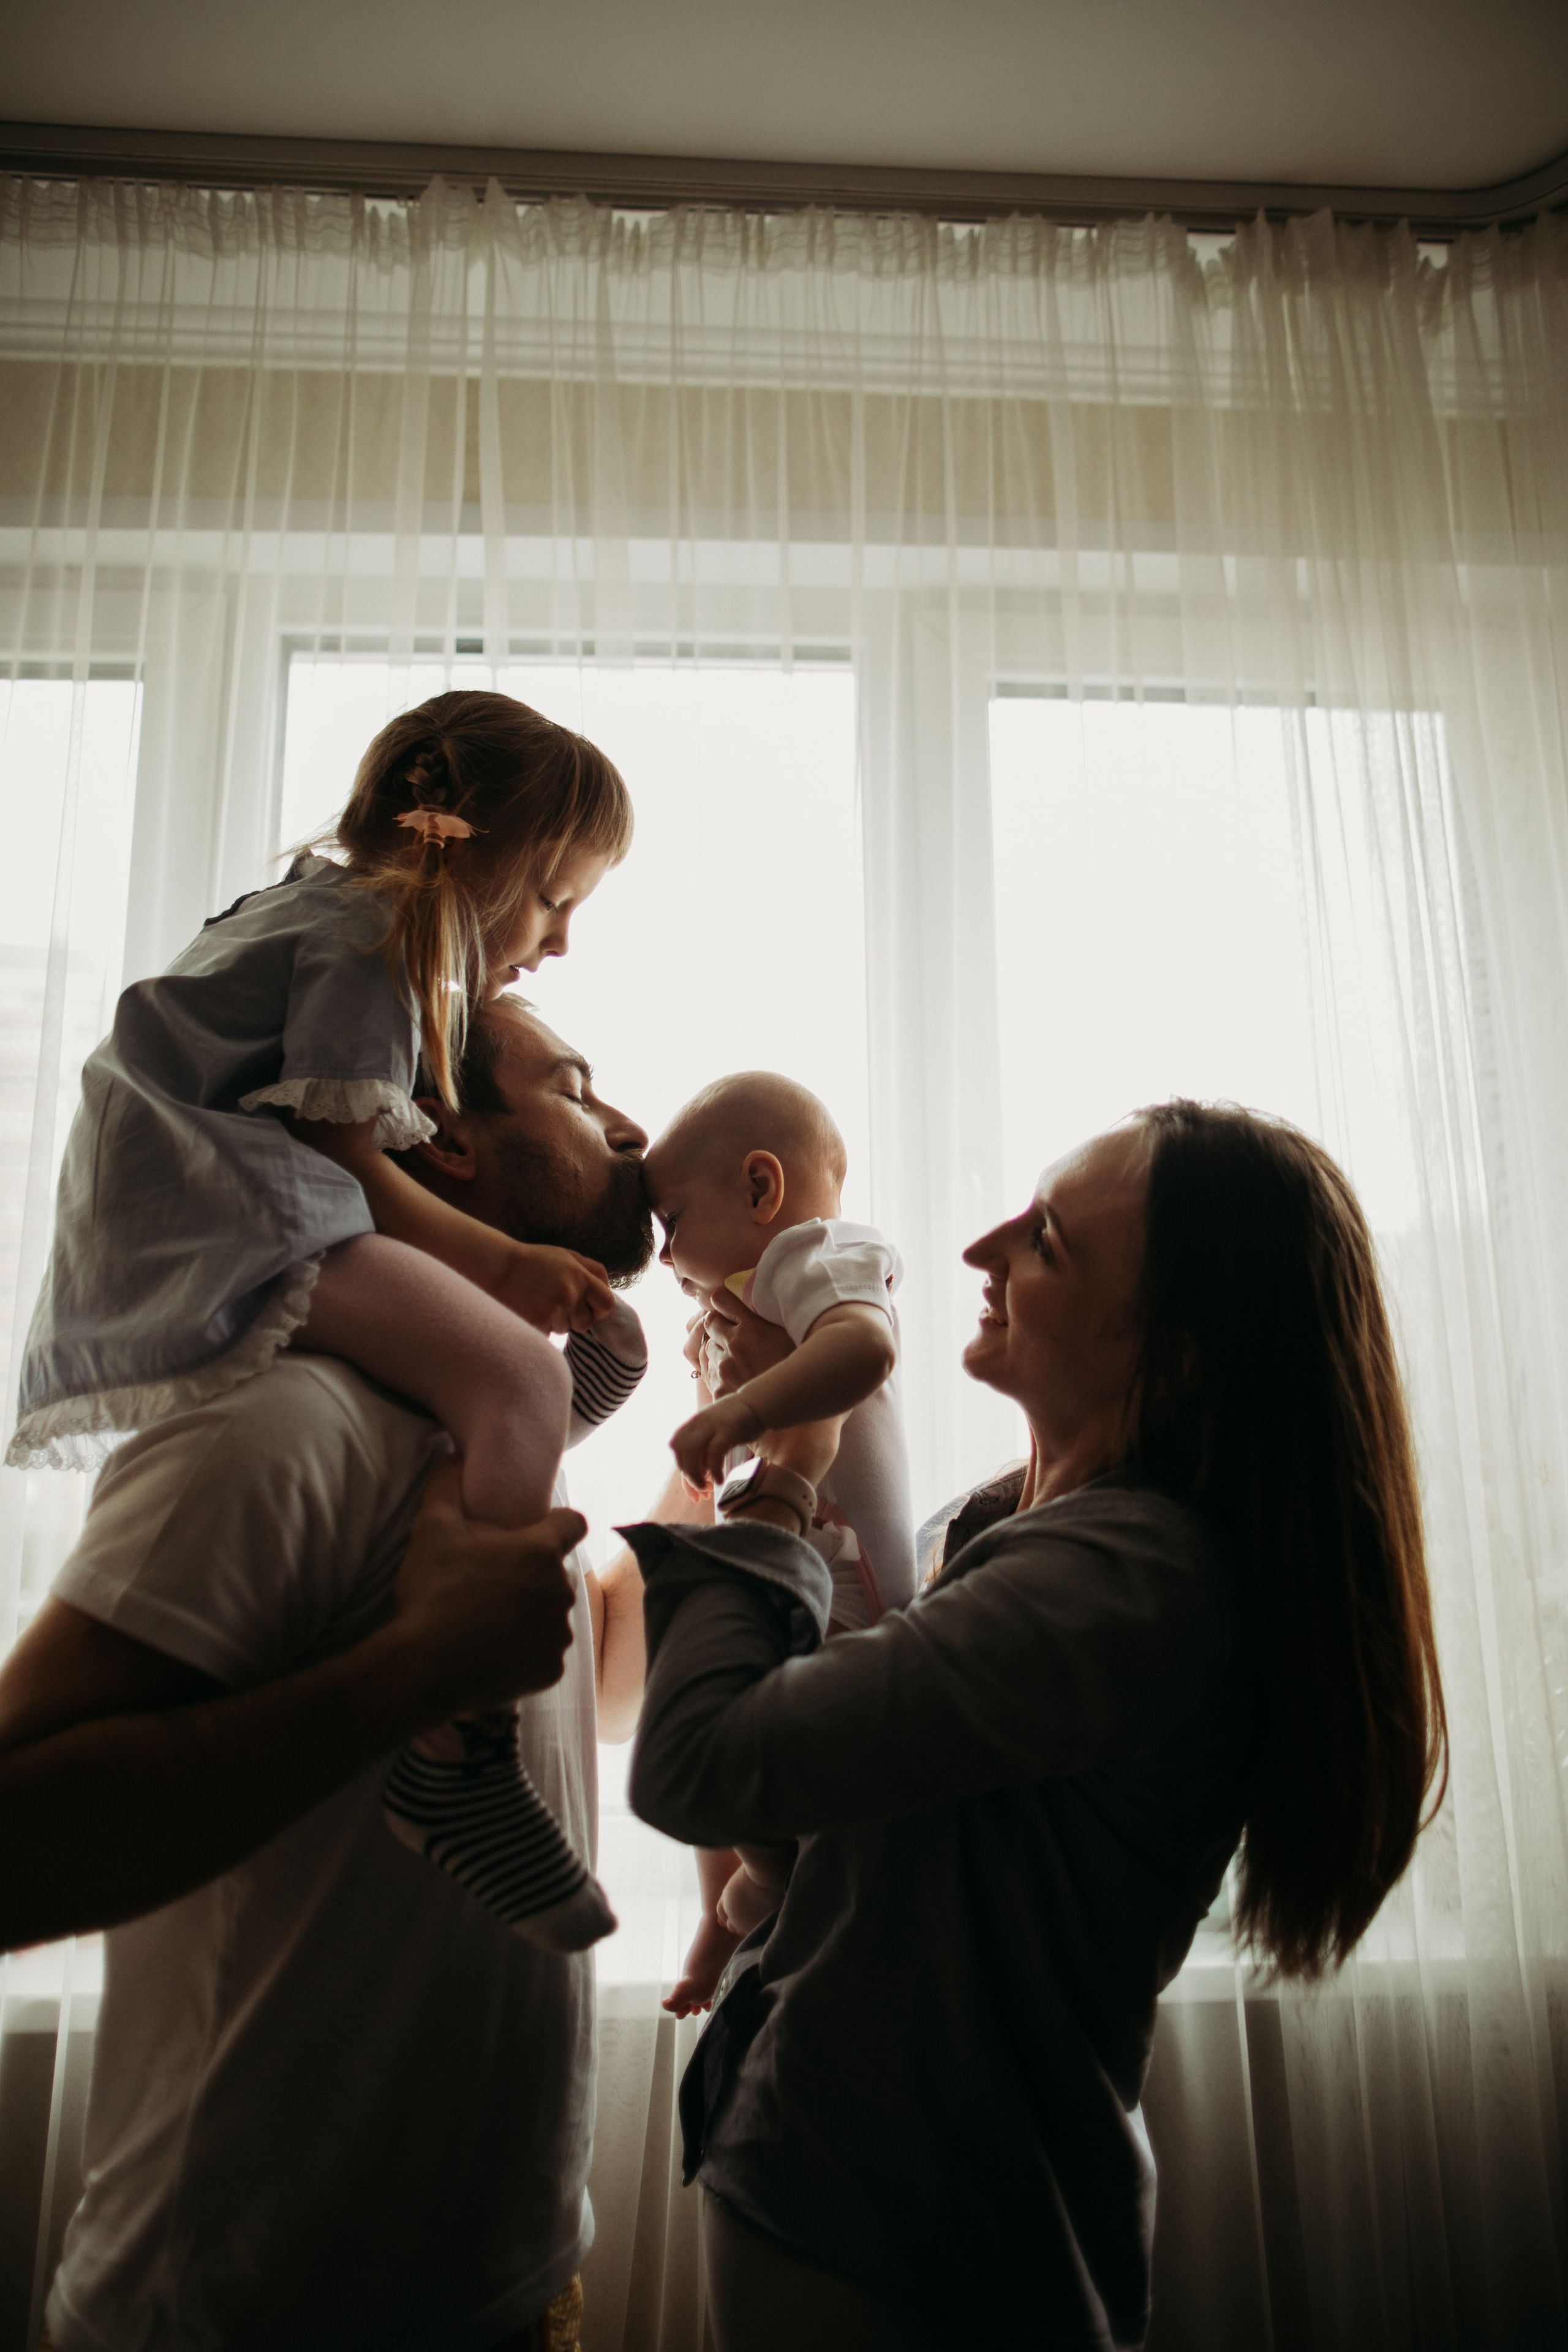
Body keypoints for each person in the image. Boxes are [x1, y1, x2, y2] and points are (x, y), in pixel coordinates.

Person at [626, 1103, 1449, 2352]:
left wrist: (787, 1462)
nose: (978, 1251)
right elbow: (812, 1794)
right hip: (845, 2189)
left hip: (915, 2235)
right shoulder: (986, 1533)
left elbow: (703, 1764)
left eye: (1047, 1239)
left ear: (1170, 1355)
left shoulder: (1123, 1581)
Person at [0, 993, 682, 2352]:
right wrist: (408, 1675)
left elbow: (590, 1700)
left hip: (512, 2289)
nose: (629, 1127)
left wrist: (745, 1468)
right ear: (438, 1143)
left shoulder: (481, 1448)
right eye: (572, 1085)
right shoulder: (274, 1427)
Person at [9, 689, 636, 1948]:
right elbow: (343, 1154)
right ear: (464, 843)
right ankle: (455, 1751)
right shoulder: (382, 930)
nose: (560, 939)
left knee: (503, 1384)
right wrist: (502, 1265)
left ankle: (526, 1422)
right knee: (514, 1379)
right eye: (556, 895)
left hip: (202, 1206)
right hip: (240, 1212)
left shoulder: (309, 907)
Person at [641, 1071, 916, 2014]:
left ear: (763, 1189)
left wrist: (747, 1406)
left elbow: (867, 1352)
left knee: (759, 1774)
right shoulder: (760, 1294)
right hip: (803, 1581)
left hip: (852, 1608)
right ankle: (726, 1926)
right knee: (730, 1764)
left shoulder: (824, 1251)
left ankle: (739, 1918)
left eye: (671, 1222)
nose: (663, 1253)